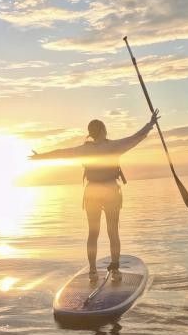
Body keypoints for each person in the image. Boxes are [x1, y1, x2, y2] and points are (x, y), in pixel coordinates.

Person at [30, 110, 159, 284]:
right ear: (104, 130)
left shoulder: (84, 150)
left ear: (90, 133)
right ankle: (115, 271)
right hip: (111, 191)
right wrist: (150, 124)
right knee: (113, 231)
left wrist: (40, 157)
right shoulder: (113, 146)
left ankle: (92, 272)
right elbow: (135, 138)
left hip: (92, 193)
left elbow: (62, 152)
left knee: (93, 233)